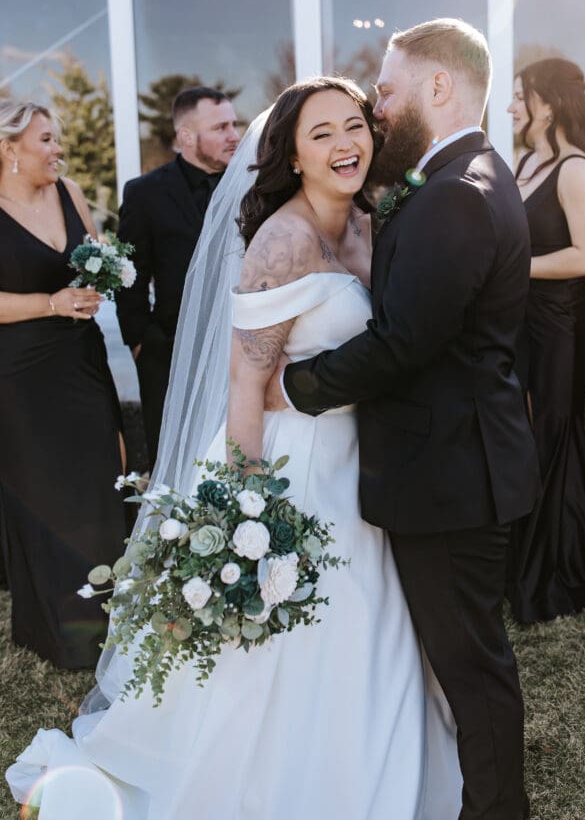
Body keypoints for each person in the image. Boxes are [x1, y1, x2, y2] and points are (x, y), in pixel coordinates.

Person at [7, 77, 462, 819]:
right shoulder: (281, 241)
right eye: (321, 134)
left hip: (365, 456)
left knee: (375, 617)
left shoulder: (373, 218)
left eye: (354, 125)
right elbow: (244, 384)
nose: (345, 143)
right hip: (295, 465)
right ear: (289, 154)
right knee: (309, 621)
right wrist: (255, 514)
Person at [269, 20, 540, 820]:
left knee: (470, 666)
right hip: (454, 460)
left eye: (385, 89)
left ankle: (497, 811)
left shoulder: (456, 193)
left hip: (451, 473)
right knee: (462, 659)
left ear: (438, 87)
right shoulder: (462, 174)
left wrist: (295, 385)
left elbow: (402, 343)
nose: (377, 106)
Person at [0, 100, 128, 669]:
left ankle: (109, 618)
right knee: (43, 490)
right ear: (9, 148)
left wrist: (104, 272)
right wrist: (49, 302)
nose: (58, 150)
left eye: (58, 139)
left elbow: (93, 255)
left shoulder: (69, 191)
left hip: (81, 359)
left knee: (98, 479)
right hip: (21, 374)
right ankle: (57, 630)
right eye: (46, 140)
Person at [505, 59, 585, 624]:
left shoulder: (576, 170)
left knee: (551, 431)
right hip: (521, 321)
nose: (511, 106)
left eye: (520, 96)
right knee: (530, 432)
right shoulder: (526, 161)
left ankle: (556, 567)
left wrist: (513, 267)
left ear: (546, 102)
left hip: (559, 325)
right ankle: (551, 546)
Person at [116, 86, 241, 468]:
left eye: (234, 124)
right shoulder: (144, 193)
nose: (234, 135)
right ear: (187, 136)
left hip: (242, 353)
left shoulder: (253, 185)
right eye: (221, 127)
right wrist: (140, 343)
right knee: (174, 465)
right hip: (168, 356)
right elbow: (130, 276)